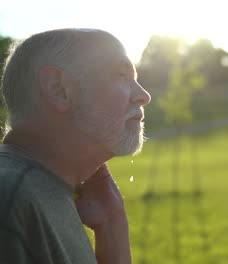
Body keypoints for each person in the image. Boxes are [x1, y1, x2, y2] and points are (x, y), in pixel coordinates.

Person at [0, 28, 151, 263]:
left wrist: (112, 227)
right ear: (58, 89)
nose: (144, 96)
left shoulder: (44, 189)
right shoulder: (10, 199)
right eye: (121, 75)